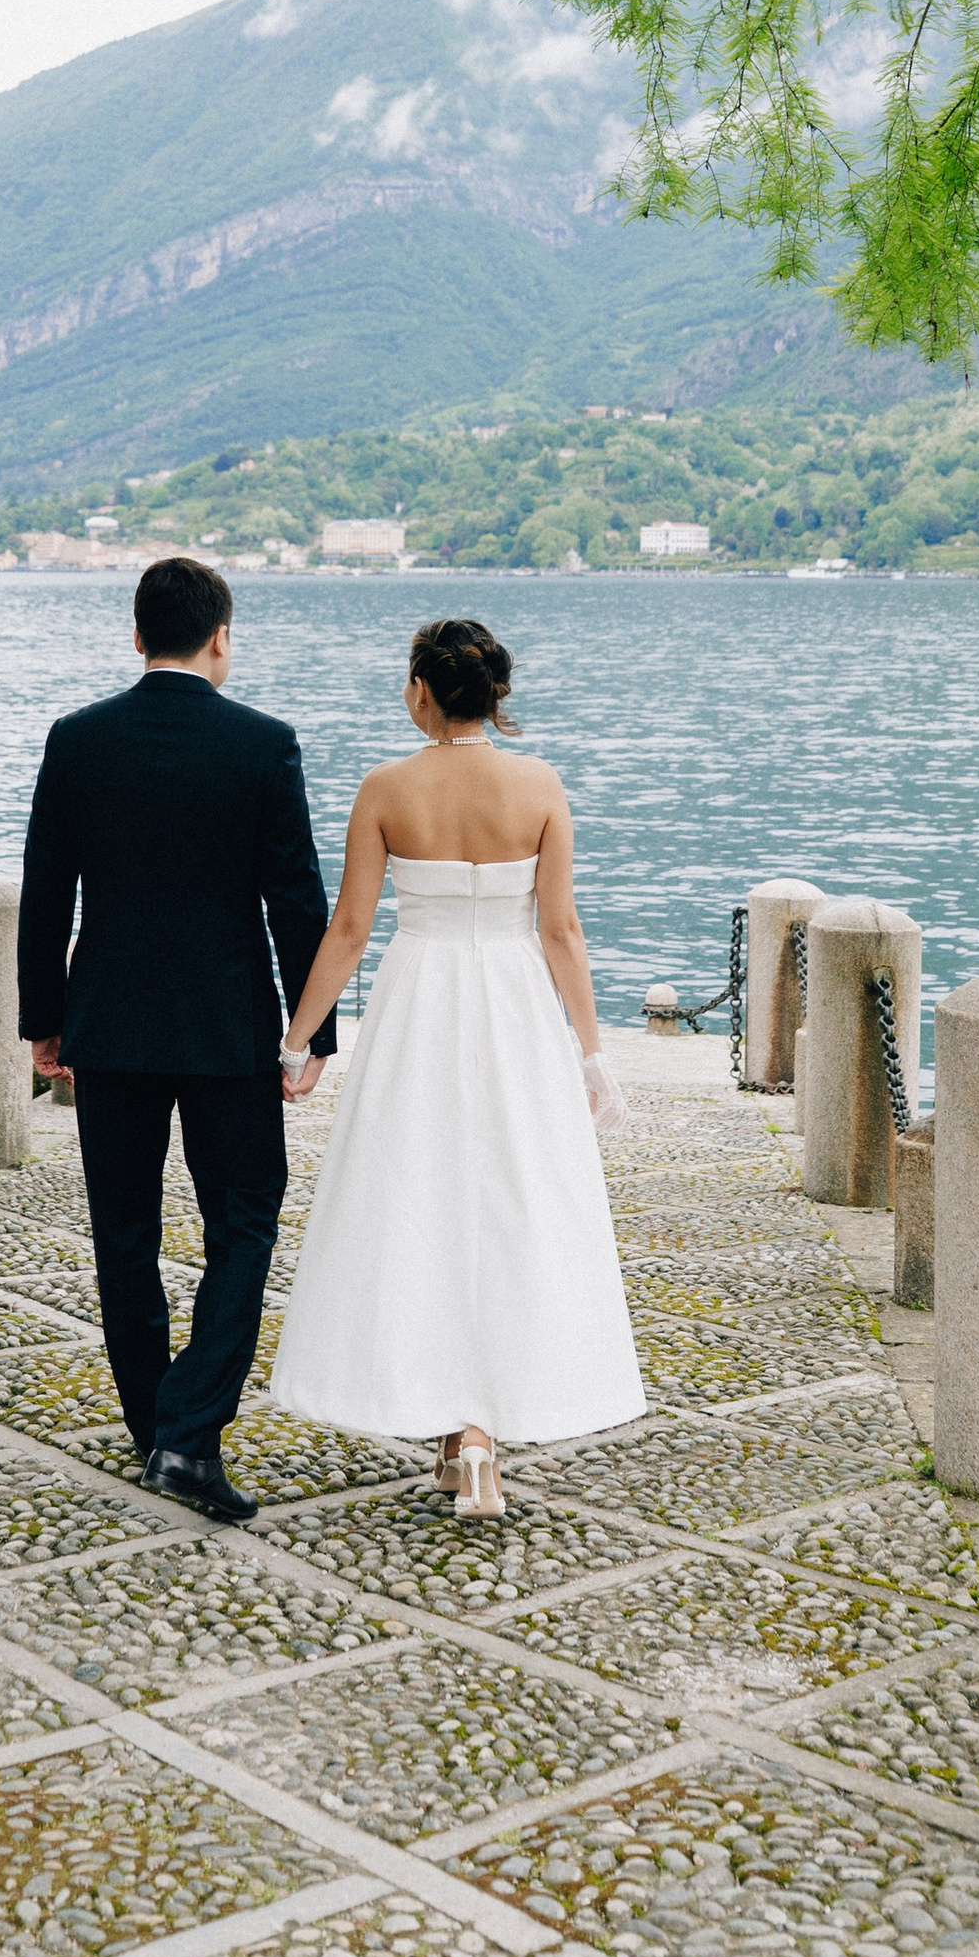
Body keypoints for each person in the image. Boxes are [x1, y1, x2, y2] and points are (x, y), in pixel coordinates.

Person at [267, 616, 641, 1517]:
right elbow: (561, 932)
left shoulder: (386, 788)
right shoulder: (540, 784)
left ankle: (452, 1429)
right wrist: (590, 1052)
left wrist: (297, 1041)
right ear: (494, 694)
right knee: (511, 1202)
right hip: (516, 1008)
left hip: (420, 1003)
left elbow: (349, 929)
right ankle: (479, 1438)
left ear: (423, 691)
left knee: (419, 1199)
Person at [18, 554, 338, 1524]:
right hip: (226, 1030)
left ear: (136, 635)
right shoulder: (263, 744)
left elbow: (45, 891)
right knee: (243, 1218)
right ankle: (187, 1432)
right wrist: (310, 1030)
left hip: (108, 1024)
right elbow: (294, 899)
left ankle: (156, 1423)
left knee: (123, 1228)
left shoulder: (77, 740)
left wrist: (44, 1018)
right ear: (221, 637)